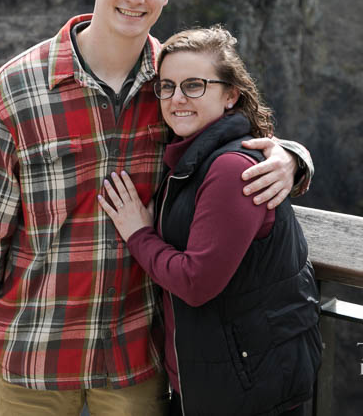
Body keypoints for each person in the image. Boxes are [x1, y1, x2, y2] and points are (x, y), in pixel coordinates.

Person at [0, 0, 312, 415]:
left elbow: (236, 133)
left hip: (136, 359)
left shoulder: (176, 83)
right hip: (34, 354)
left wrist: (292, 157)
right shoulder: (14, 90)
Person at [99, 25, 321, 416]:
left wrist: (138, 233)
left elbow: (195, 282)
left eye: (194, 85)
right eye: (166, 87)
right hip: (222, 379)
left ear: (231, 95)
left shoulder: (230, 169)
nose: (177, 98)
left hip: (245, 390)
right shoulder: (192, 157)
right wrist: (294, 155)